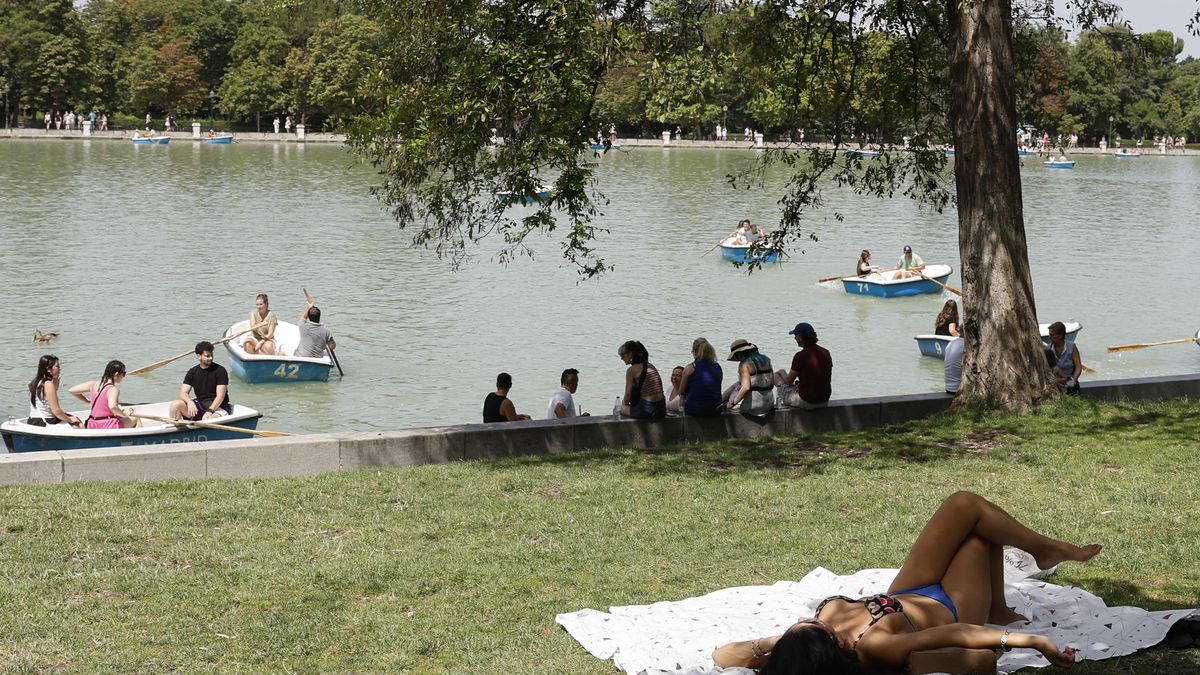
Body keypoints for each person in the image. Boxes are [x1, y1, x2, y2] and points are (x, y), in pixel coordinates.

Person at [713, 491, 1102, 674]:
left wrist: (776, 646)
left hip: (907, 593)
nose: (805, 622)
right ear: (829, 645)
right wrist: (1031, 641)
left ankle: (1038, 558)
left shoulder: (803, 645)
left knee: (962, 505)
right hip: (952, 606)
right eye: (811, 628)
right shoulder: (875, 645)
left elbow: (723, 656)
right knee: (976, 530)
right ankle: (1012, 587)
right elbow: (960, 635)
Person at [169, 342, 233, 421]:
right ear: (199, 356)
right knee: (176, 404)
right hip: (201, 405)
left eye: (211, 355)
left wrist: (210, 411)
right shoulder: (192, 372)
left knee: (209, 419)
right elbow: (183, 393)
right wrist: (189, 402)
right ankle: (177, 430)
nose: (210, 358)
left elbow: (220, 396)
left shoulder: (220, 371)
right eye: (207, 356)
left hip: (218, 407)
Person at [774, 323, 833, 409]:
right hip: (824, 400)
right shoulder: (826, 352)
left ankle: (780, 406)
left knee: (776, 377)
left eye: (795, 335)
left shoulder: (800, 356)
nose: (794, 338)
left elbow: (789, 381)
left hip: (807, 401)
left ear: (801, 337)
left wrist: (782, 372)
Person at [69, 360, 140, 429]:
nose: (123, 376)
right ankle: (138, 440)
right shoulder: (113, 389)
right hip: (107, 424)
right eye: (123, 373)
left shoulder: (93, 384)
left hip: (92, 424)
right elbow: (113, 407)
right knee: (136, 419)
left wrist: (87, 401)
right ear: (116, 374)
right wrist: (124, 415)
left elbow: (72, 390)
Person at [26, 355, 82, 427]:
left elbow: (48, 397)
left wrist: (55, 380)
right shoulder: (48, 384)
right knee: (77, 422)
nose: (60, 369)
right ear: (48, 369)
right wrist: (70, 420)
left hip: (32, 420)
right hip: (45, 421)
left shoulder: (35, 382)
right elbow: (57, 411)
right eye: (57, 366)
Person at [723, 339, 774, 415]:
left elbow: (745, 388)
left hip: (752, 407)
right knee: (738, 383)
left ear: (739, 354)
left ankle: (722, 404)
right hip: (769, 405)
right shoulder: (767, 361)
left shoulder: (745, 365)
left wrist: (733, 403)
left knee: (737, 385)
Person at [618, 340, 666, 419]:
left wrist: (624, 404)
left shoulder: (631, 370)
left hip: (647, 409)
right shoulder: (650, 366)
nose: (621, 358)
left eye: (622, 355)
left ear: (630, 353)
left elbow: (628, 394)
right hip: (661, 409)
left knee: (620, 408)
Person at [678, 338, 724, 417]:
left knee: (683, 397)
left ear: (695, 352)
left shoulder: (690, 367)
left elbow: (681, 392)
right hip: (715, 408)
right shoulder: (718, 367)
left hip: (695, 409)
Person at [1045, 321, 1082, 395]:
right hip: (1056, 384)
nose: (1050, 337)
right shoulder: (1048, 349)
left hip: (1071, 381)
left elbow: (1078, 367)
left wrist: (1073, 381)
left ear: (1060, 335)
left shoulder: (1071, 347)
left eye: (1052, 335)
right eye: (1049, 334)